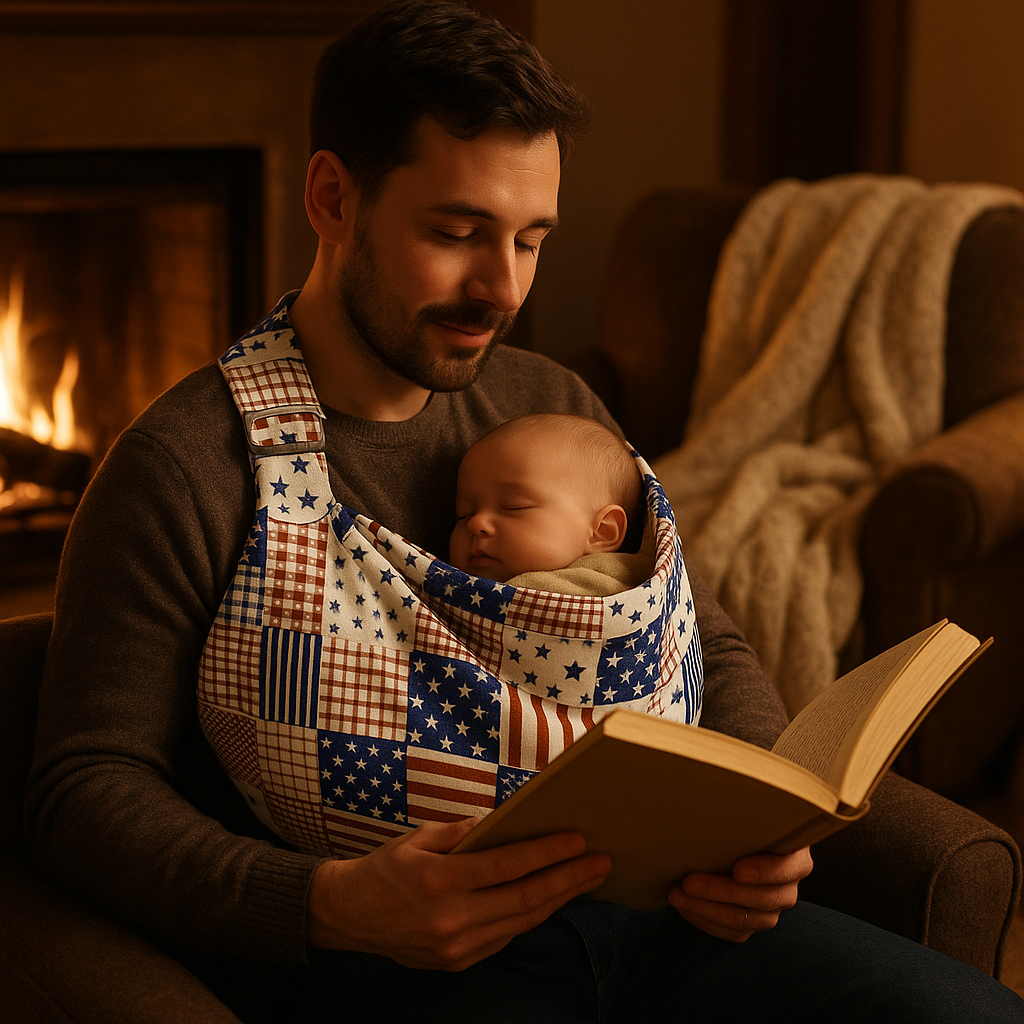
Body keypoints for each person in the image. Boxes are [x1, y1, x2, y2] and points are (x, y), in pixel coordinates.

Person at [23, 2, 1023, 1021]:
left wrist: (762, 819)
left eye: (532, 240)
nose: (500, 288)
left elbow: (699, 640)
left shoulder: (552, 407)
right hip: (406, 963)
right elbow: (81, 792)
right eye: (456, 233)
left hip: (667, 925)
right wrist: (329, 903)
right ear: (332, 197)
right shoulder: (184, 465)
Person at [449, 412, 650, 595]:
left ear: (602, 531)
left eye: (514, 506)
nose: (476, 523)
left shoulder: (614, 589)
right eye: (463, 514)